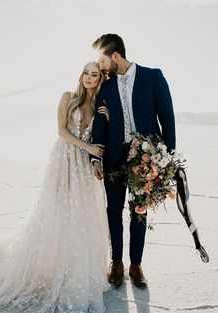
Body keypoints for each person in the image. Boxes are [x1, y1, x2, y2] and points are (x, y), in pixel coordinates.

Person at [0, 61, 111, 313]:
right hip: (63, 158)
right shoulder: (68, 97)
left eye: (94, 74)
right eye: (86, 72)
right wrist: (86, 148)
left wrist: (106, 121)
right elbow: (61, 131)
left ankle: (75, 268)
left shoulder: (100, 107)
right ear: (81, 75)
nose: (88, 77)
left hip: (83, 168)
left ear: (100, 79)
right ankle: (49, 264)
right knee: (57, 209)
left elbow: (102, 136)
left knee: (82, 215)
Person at [91, 34, 176, 288]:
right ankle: (116, 262)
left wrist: (167, 161)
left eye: (103, 60)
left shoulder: (153, 77)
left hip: (145, 160)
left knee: (139, 212)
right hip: (114, 159)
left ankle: (136, 264)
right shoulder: (105, 87)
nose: (101, 66)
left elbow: (167, 119)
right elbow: (99, 125)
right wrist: (95, 158)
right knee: (113, 211)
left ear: (115, 55)